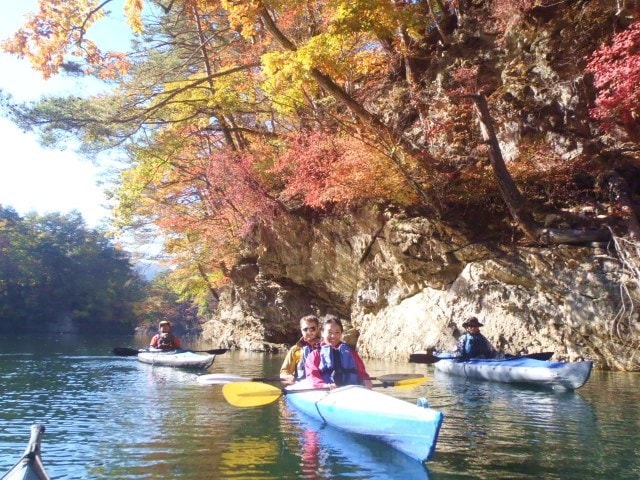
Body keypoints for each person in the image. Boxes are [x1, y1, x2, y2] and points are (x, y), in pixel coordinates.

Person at [305, 315, 373, 390]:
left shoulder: (351, 353)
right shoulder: (314, 355)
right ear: (322, 333)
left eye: (337, 332)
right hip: (327, 391)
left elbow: (362, 373)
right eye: (329, 332)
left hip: (352, 389)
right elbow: (312, 376)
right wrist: (323, 385)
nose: (333, 336)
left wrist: (366, 380)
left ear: (341, 333)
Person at [279, 315, 321, 384]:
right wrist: (287, 377)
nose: (309, 332)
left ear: (318, 329)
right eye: (305, 329)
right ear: (301, 330)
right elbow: (284, 372)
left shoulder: (325, 347)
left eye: (312, 329)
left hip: (322, 386)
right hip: (301, 386)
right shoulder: (295, 350)